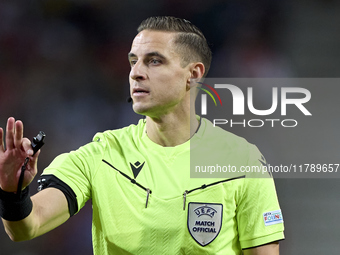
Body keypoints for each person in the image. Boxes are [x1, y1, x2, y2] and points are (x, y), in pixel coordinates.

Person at [0, 16, 284, 254]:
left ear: (193, 74)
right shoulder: (100, 155)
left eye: (154, 61)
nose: (136, 73)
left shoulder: (242, 161)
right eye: (133, 61)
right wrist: (13, 192)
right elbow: (28, 225)